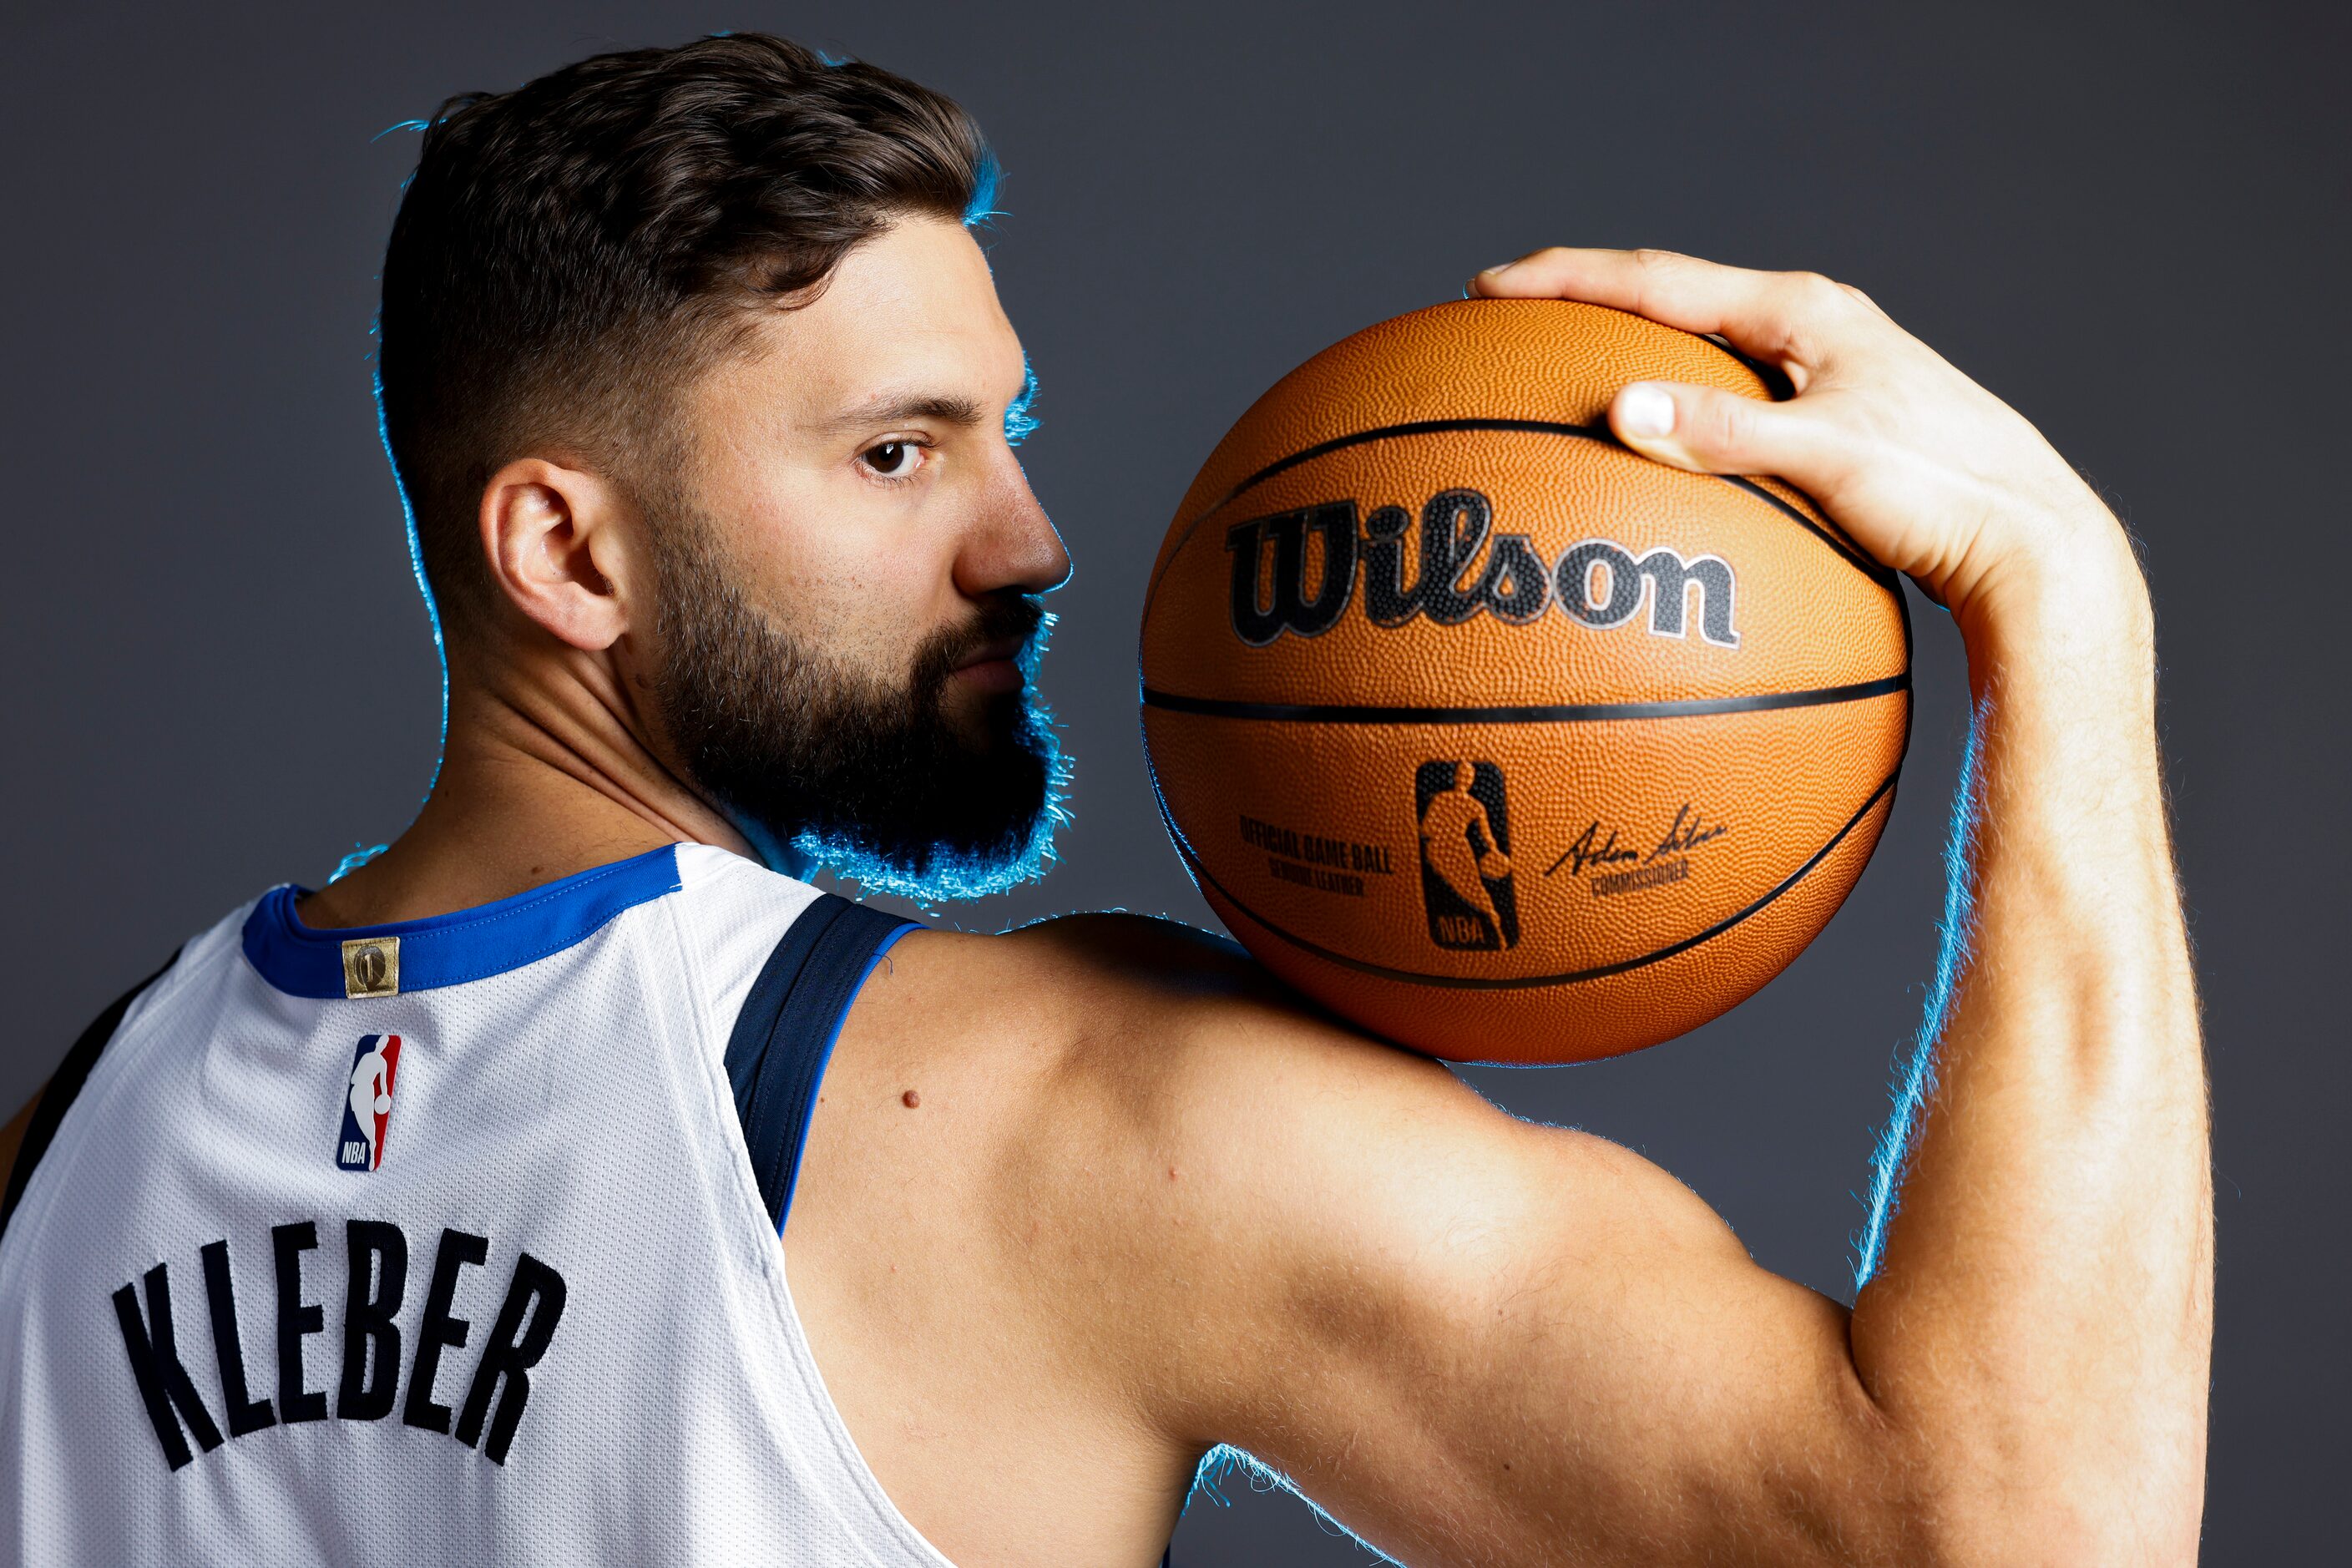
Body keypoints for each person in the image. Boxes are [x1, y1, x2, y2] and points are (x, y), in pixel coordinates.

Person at [0, 33, 2208, 1568]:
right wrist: (2066, 620)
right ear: (567, 553)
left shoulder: (65, 1150)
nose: (1030, 540)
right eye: (900, 450)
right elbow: (2002, 1536)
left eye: (1001, 426)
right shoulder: (1051, 1123)